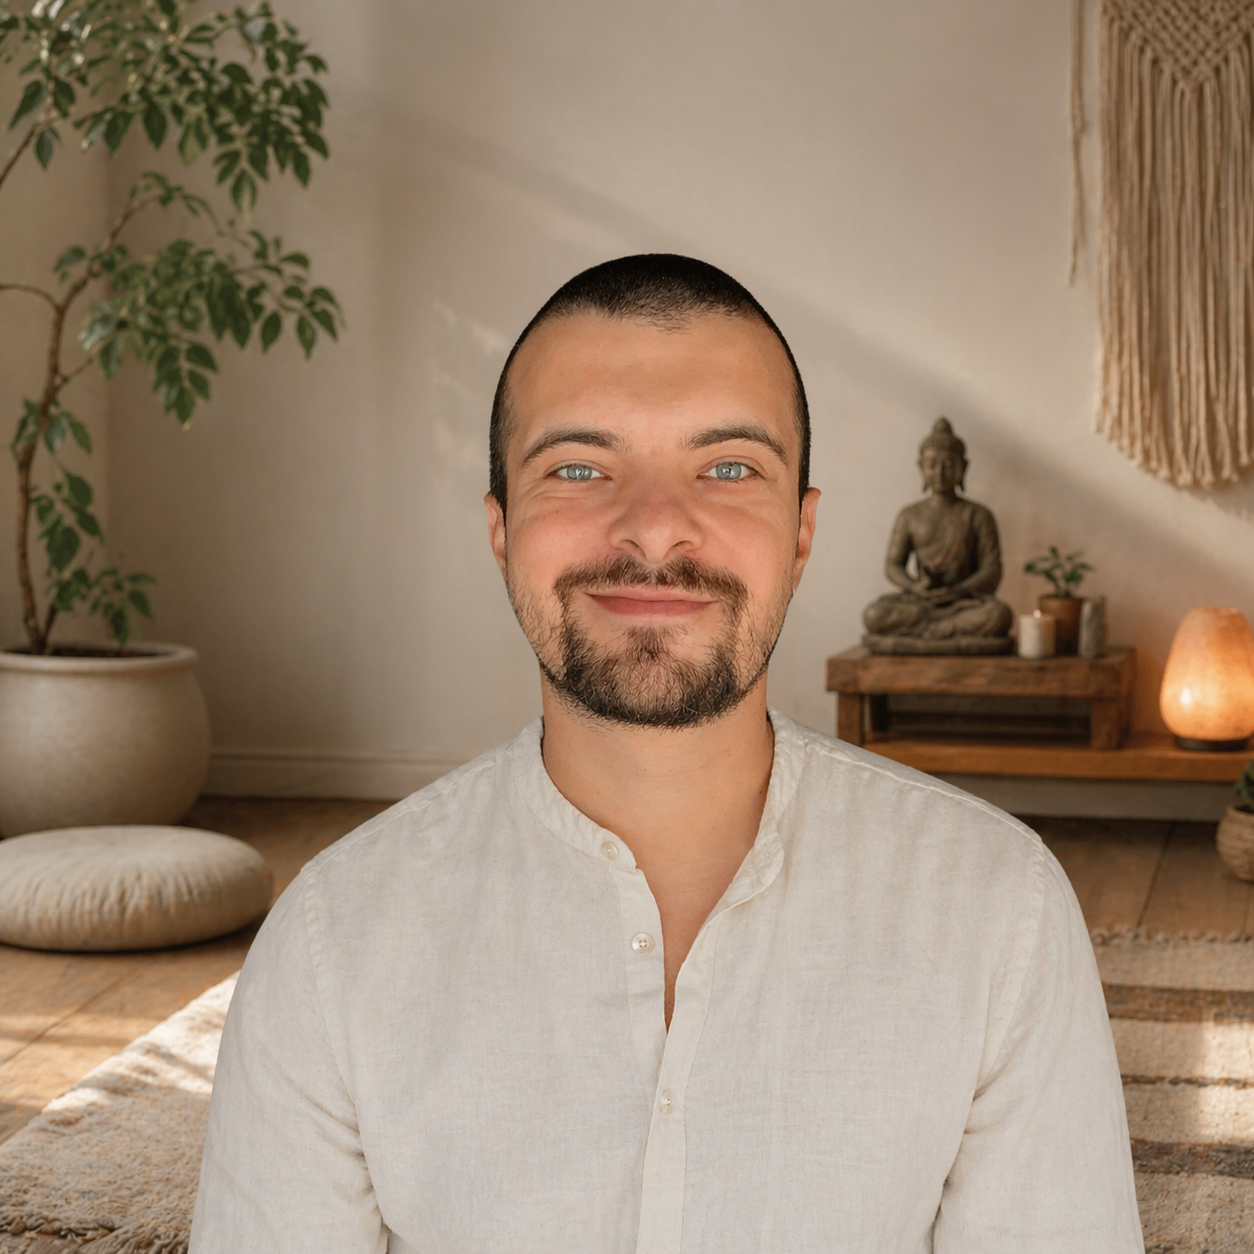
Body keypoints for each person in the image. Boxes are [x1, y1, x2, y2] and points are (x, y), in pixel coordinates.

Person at [190, 255, 1142, 1253]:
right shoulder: (333, 945)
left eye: (728, 467)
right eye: (579, 467)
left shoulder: (1000, 916)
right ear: (501, 529)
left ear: (803, 532)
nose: (653, 528)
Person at [862, 418, 1014, 651]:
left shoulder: (978, 515)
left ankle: (929, 633)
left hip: (963, 603)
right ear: (920, 467)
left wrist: (959, 591)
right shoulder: (909, 515)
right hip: (921, 602)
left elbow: (992, 569)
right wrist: (914, 587)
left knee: (999, 615)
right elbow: (893, 565)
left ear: (964, 468)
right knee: (875, 615)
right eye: (932, 464)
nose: (940, 472)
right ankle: (945, 631)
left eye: (949, 465)